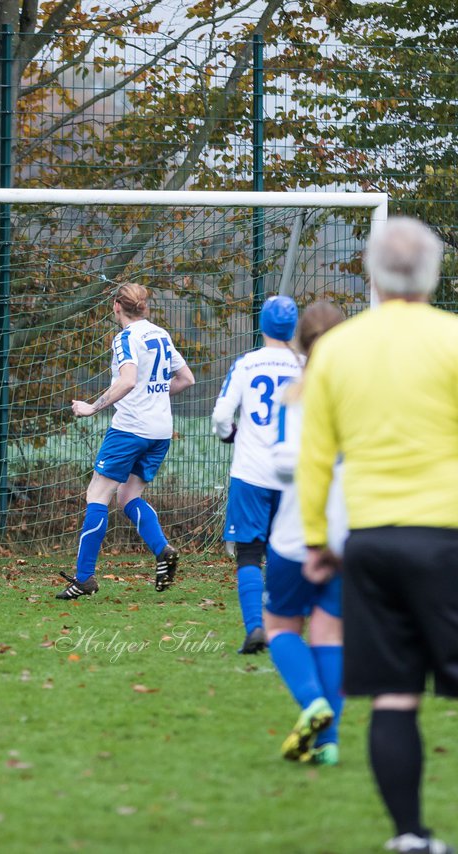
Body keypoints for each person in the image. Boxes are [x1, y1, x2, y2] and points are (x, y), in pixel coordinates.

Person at [299, 217, 457, 854]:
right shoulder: (453, 340)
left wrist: (316, 541)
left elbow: (315, 457)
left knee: (395, 697)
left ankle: (410, 838)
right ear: (434, 271)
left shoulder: (337, 350)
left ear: (370, 273)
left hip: (371, 541)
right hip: (447, 537)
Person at [57, 282, 195, 600]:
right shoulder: (160, 333)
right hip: (160, 431)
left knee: (97, 494)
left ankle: (84, 578)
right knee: (127, 496)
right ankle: (162, 550)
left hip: (130, 429)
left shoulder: (125, 338)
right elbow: (187, 379)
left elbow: (129, 380)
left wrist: (92, 407)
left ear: (117, 307)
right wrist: (155, 393)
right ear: (143, 307)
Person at [263, 300, 347, 767]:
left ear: (300, 344)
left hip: (296, 532)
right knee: (330, 634)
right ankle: (329, 742)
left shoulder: (295, 396)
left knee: (279, 626)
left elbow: (281, 462)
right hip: (348, 536)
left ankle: (312, 703)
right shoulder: (362, 398)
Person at [211, 294, 303, 654]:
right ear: (293, 327)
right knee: (285, 550)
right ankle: (284, 627)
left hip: (251, 471)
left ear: (262, 325)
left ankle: (255, 628)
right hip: (294, 472)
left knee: (249, 552)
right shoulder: (307, 365)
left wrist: (229, 435)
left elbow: (221, 416)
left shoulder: (247, 364)